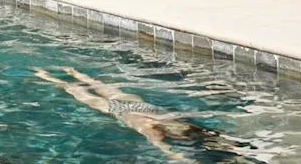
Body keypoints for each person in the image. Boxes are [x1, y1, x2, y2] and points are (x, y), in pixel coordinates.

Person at [33, 67, 250, 163]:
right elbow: (165, 149)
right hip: (123, 110)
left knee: (96, 86)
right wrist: (182, 158)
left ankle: (70, 72)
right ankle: (52, 76)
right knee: (81, 90)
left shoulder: (169, 122)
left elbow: (213, 139)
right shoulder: (156, 129)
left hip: (135, 106)